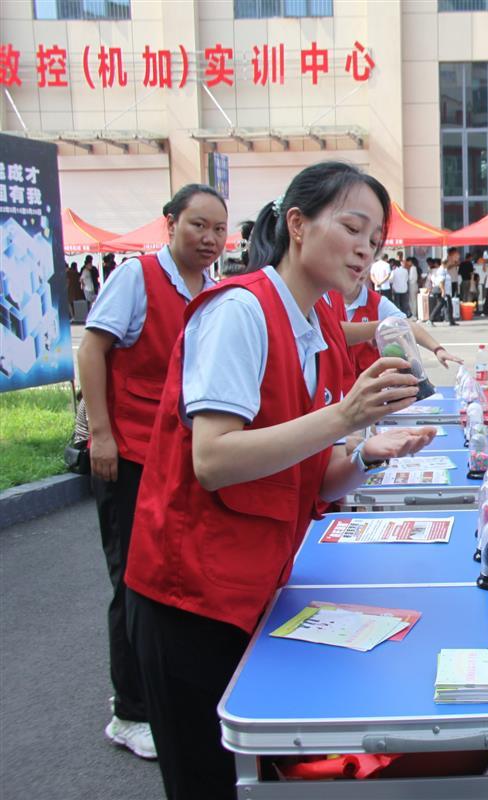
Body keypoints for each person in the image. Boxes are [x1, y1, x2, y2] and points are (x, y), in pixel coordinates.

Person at [123, 162, 437, 800]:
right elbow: (213, 459)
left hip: (258, 583)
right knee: (208, 781)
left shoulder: (317, 324)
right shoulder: (240, 310)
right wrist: (345, 415)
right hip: (191, 596)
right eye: (352, 227)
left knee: (261, 775)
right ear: (297, 224)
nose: (365, 249)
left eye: (375, 240)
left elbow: (313, 475)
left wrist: (368, 451)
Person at [77, 184, 228, 763]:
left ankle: (168, 697)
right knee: (131, 584)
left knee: (166, 579)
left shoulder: (213, 289)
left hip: (176, 460)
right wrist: (102, 432)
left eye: (218, 230)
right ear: (169, 223)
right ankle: (129, 710)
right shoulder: (136, 278)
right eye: (198, 225)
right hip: (129, 453)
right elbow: (93, 350)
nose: (210, 239)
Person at [341, 272, 461, 389]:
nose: (359, 269)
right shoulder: (325, 300)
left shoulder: (377, 303)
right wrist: (380, 327)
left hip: (368, 391)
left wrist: (437, 349)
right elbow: (338, 333)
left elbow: (405, 325)